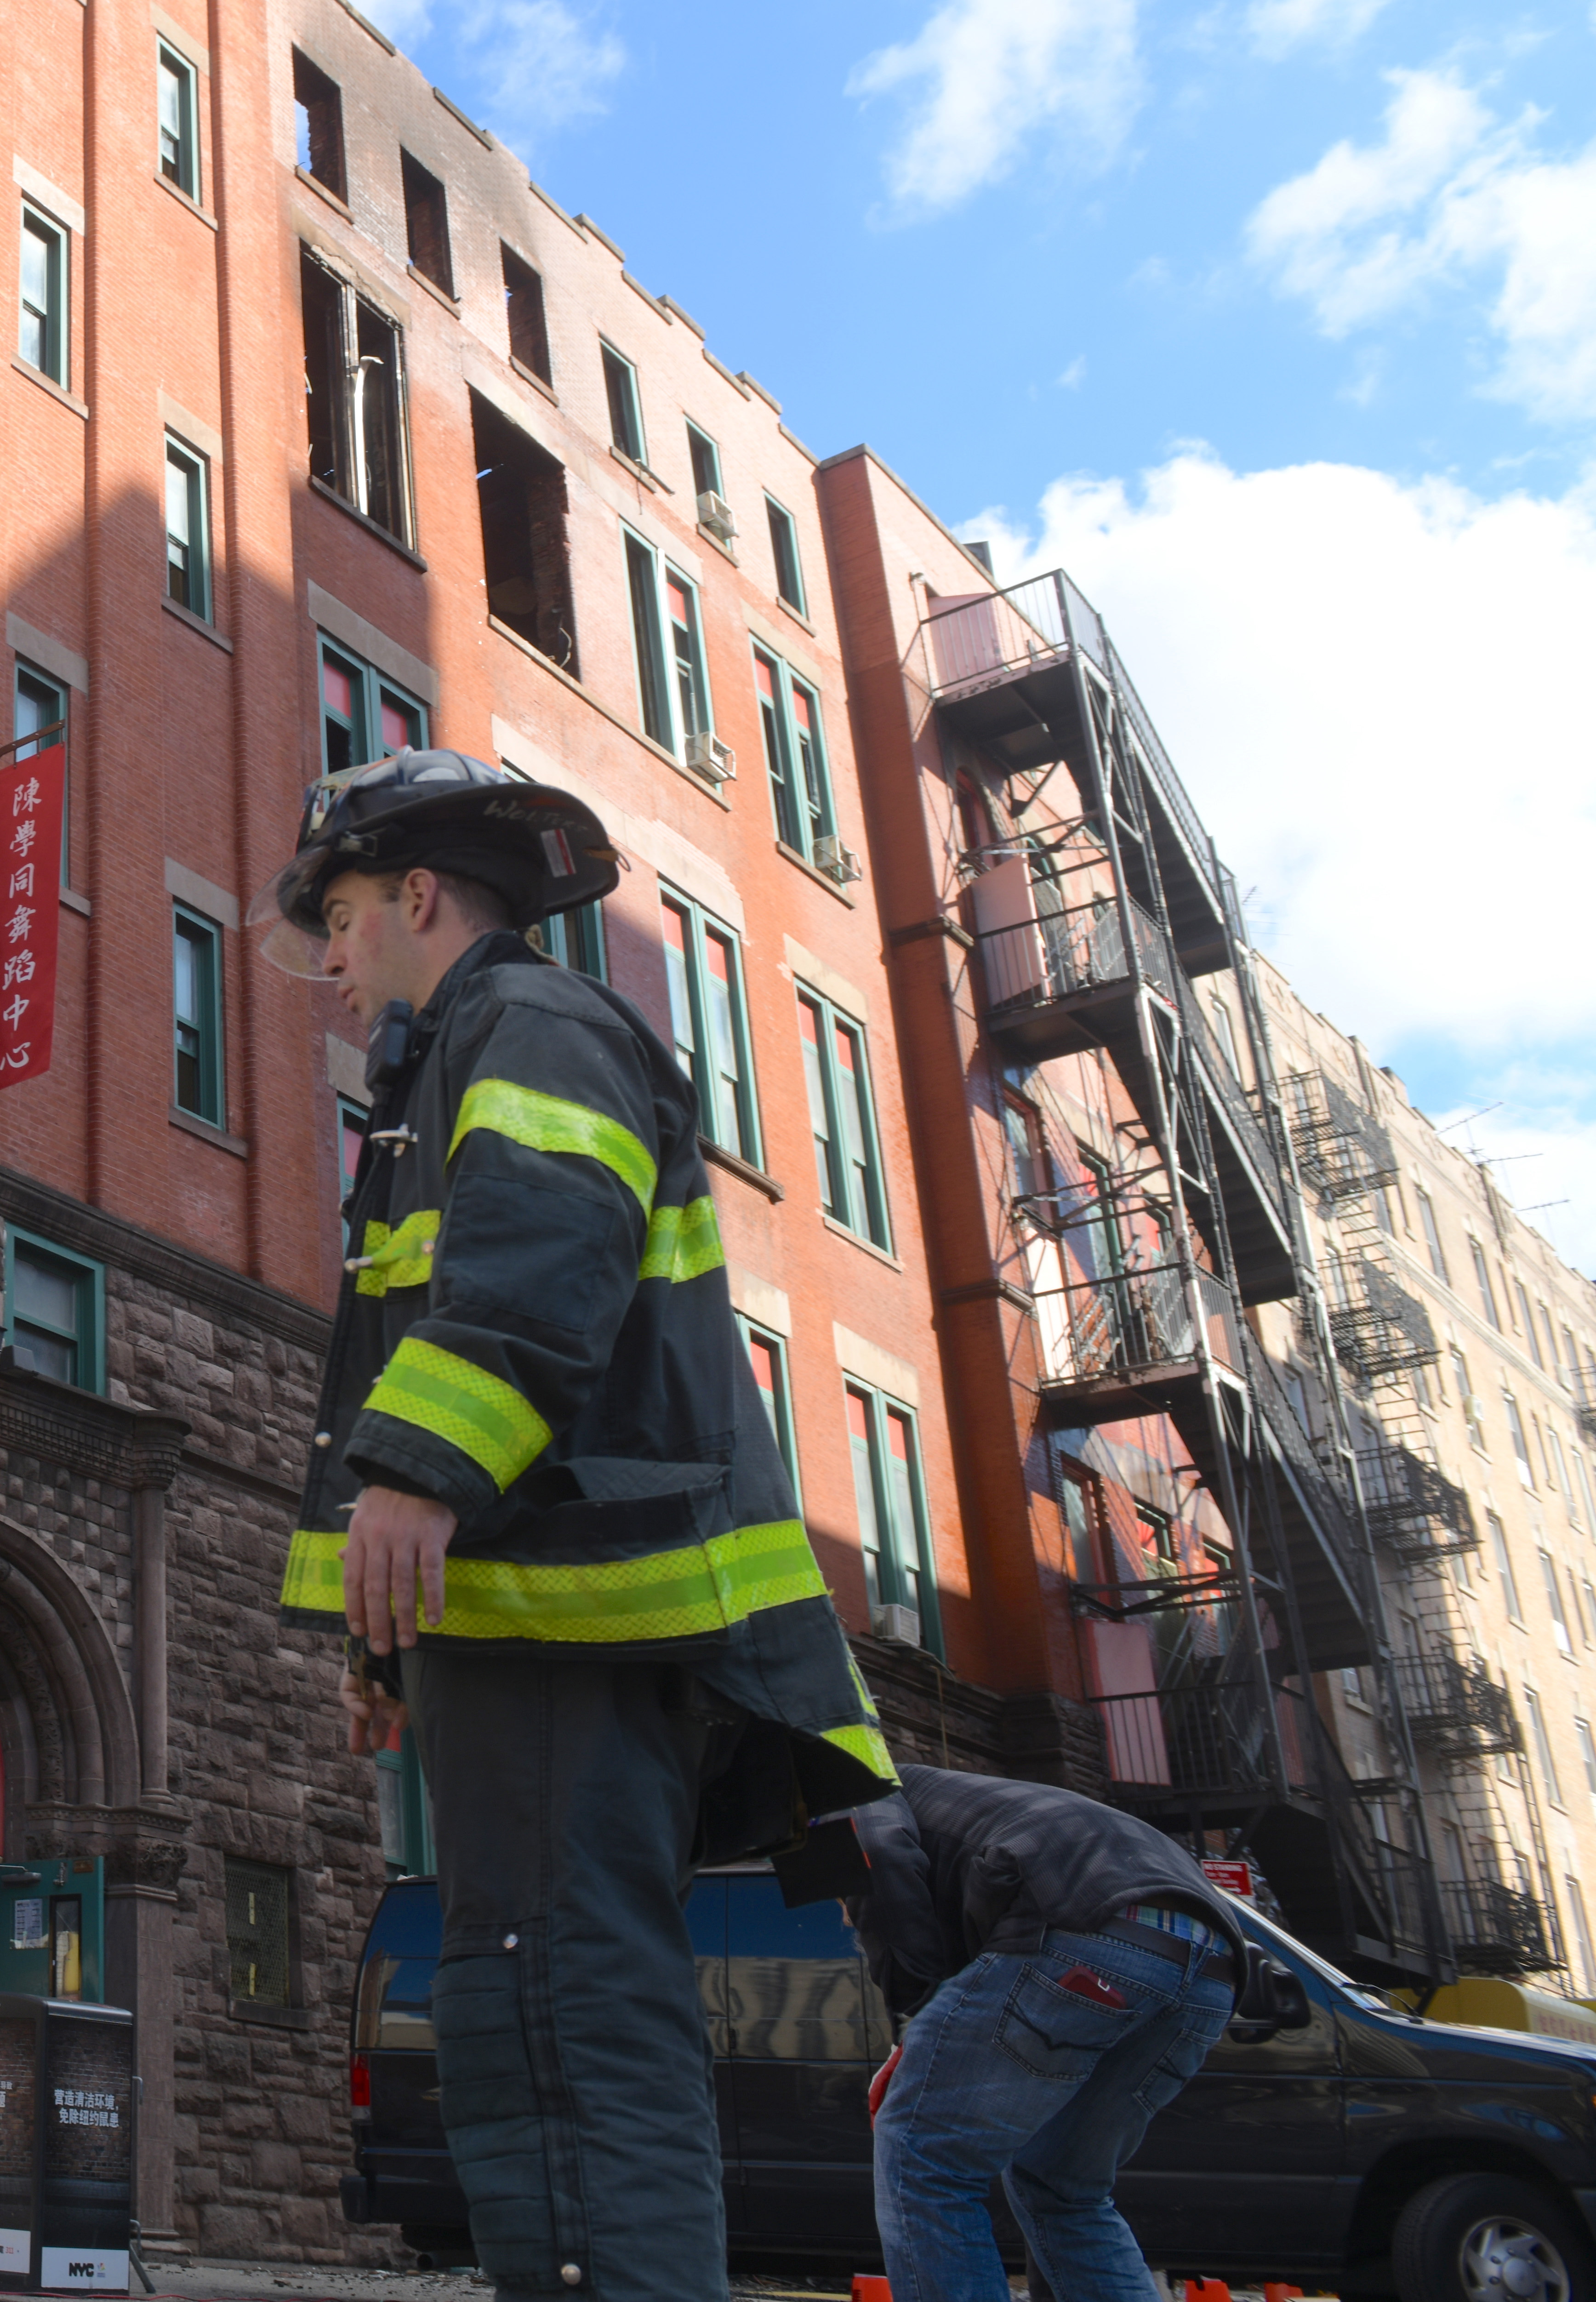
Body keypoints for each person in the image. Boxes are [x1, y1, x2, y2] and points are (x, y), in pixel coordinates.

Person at [265, 748, 895, 2300]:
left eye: (335, 921)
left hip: (570, 1619)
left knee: (556, 2004)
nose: (327, 966)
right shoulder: (461, 1061)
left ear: (415, 895)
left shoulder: (522, 1027)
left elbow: (539, 1265)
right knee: (533, 1994)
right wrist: (380, 1625)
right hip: (530, 1618)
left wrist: (414, 1480)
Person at [851, 1764, 1254, 2302]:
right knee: (1064, 2187)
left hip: (1090, 1933)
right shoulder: (986, 1797)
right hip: (1213, 1971)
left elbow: (879, 1859)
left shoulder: (848, 1781)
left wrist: (918, 2020)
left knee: (925, 2158)